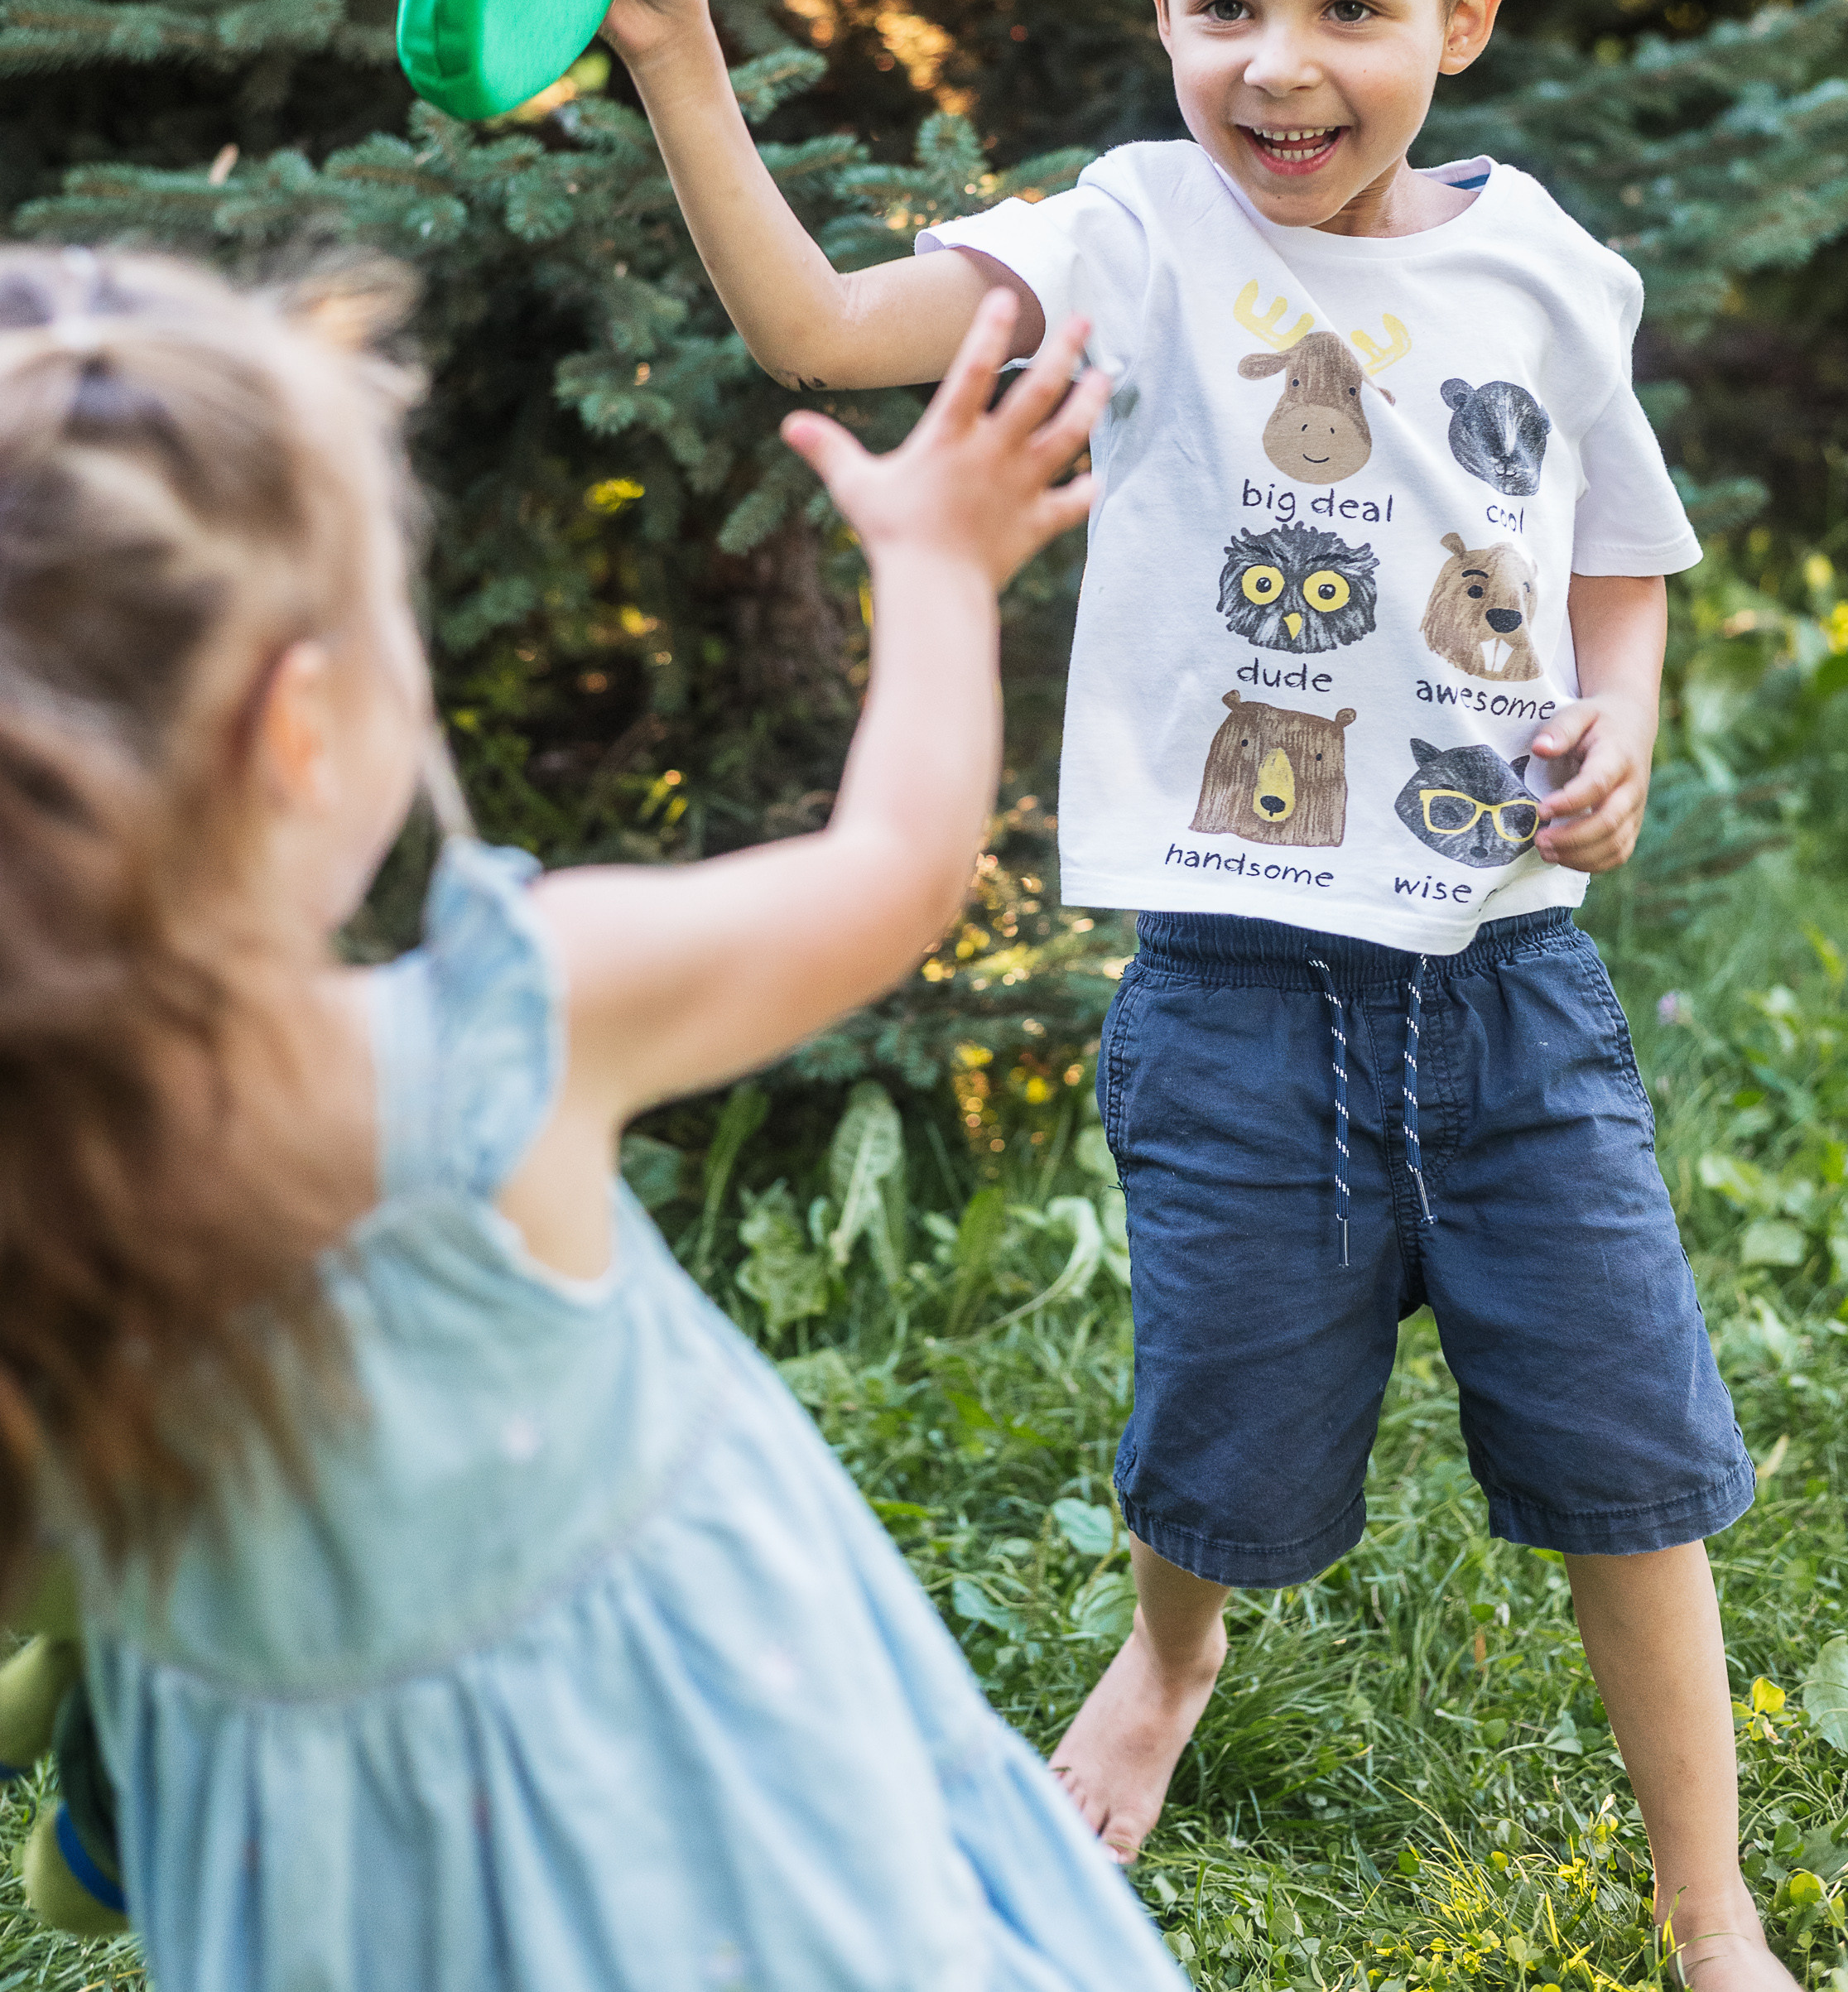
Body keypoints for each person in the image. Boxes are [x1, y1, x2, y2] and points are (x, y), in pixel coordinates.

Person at [599, 0, 1793, 1992]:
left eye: (1351, 7)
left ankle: (1709, 1906)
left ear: (1465, 15)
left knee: (1639, 1451)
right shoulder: (1133, 237)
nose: (1278, 65)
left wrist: (1618, 723)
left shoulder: (1552, 271)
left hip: (1516, 987)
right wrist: (681, 68)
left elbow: (1625, 553)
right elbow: (821, 331)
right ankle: (1173, 1654)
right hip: (1237, 991)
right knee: (1215, 1424)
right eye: (1221, 1)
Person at [0, 242, 1191, 1992]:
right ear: (302, 729)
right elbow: (894, 871)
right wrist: (934, 566)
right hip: (725, 1851)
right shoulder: (512, 1038)